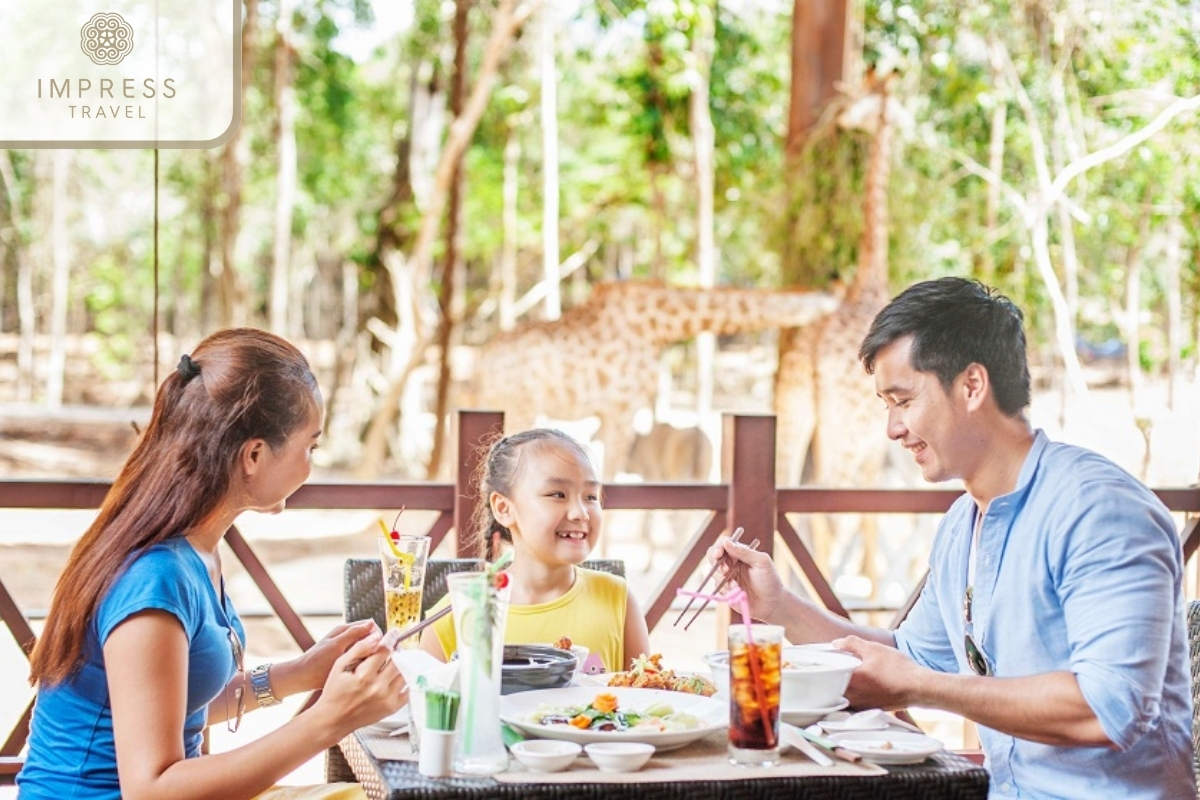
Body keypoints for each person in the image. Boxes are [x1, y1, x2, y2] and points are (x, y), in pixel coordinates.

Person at [709, 277, 1194, 799]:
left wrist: (919, 686)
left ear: (971, 386)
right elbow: (914, 657)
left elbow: (1110, 709)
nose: (892, 429)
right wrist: (779, 606)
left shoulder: (1101, 511)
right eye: (886, 405)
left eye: (904, 400)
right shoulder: (963, 523)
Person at [18, 329, 406, 800]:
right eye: (311, 446)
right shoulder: (153, 580)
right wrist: (329, 721)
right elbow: (152, 789)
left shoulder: (195, 550)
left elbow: (176, 704)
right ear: (255, 455)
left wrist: (305, 672)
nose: (310, 465)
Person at [420, 428, 651, 672]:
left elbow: (647, 695)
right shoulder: (455, 615)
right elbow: (422, 705)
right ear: (504, 508)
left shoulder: (617, 599)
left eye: (591, 496)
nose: (580, 512)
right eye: (558, 494)